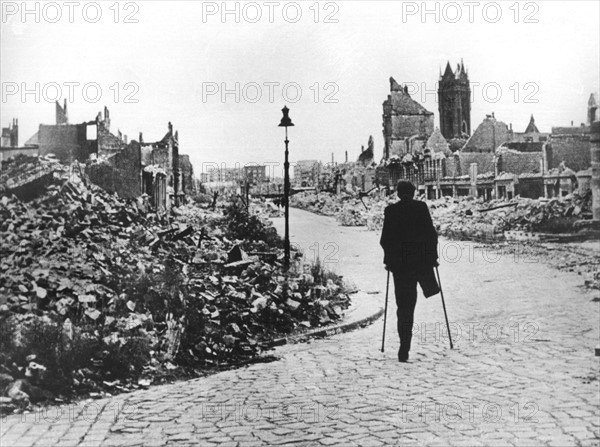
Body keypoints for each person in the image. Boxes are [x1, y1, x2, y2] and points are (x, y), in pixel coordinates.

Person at [380, 180, 439, 362]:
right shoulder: (421, 208)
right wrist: (433, 258)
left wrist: (389, 261)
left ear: (398, 194)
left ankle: (403, 346)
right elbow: (431, 235)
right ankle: (406, 345)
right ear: (413, 193)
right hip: (419, 265)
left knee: (403, 307)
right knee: (414, 302)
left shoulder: (391, 211)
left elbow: (385, 240)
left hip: (401, 268)